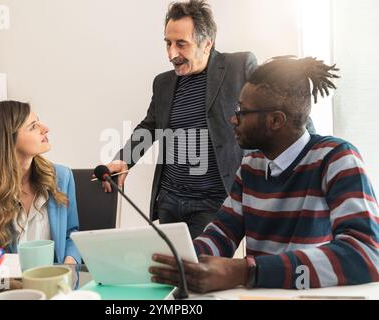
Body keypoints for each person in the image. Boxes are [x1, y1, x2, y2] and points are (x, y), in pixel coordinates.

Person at [149, 56, 379, 292]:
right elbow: (222, 234)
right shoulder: (251, 165)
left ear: (275, 120)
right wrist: (178, 261)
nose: (232, 119)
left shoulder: (336, 158)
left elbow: (367, 254)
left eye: (241, 111)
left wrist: (245, 271)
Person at [102, 0, 258, 239]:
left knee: (197, 270)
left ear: (207, 44)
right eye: (168, 43)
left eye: (181, 44)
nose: (171, 54)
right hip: (169, 201)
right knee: (171, 272)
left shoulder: (239, 67)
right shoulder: (163, 82)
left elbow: (274, 106)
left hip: (214, 203)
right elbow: (151, 126)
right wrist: (125, 160)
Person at [0, 100, 81, 264]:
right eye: (33, 126)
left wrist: (70, 264)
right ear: (7, 140)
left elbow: (70, 234)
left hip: (56, 284)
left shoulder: (62, 177)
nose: (45, 129)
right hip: (7, 288)